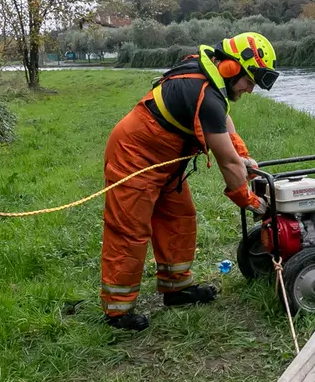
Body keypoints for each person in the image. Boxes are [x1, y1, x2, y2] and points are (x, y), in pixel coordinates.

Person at [100, 33, 279, 331]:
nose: (250, 89)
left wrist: (245, 156)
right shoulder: (204, 92)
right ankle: (117, 311)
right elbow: (227, 162)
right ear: (232, 69)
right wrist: (252, 201)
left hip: (167, 160)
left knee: (180, 218)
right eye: (249, 81)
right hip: (134, 156)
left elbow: (223, 126)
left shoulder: (210, 82)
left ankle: (176, 288)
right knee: (130, 230)